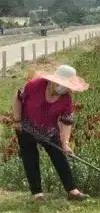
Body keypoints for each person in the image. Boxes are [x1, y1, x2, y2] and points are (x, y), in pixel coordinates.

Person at [11, 64, 90, 201]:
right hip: (26, 127)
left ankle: (72, 190)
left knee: (59, 157)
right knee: (30, 158)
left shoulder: (66, 99)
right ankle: (37, 194)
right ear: (54, 80)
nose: (62, 87)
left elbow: (66, 122)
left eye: (66, 85)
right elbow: (18, 98)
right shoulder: (35, 85)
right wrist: (17, 120)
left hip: (49, 132)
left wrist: (65, 143)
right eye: (60, 83)